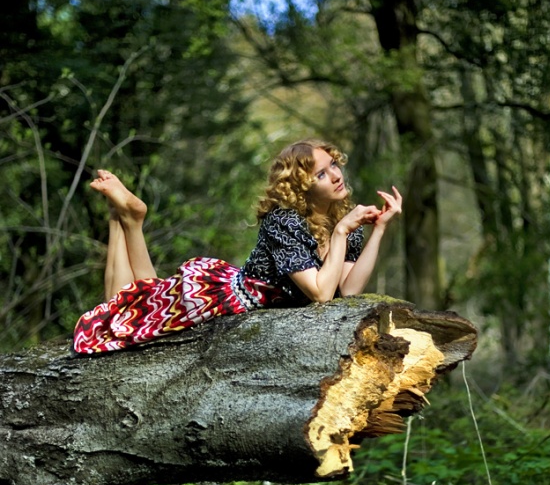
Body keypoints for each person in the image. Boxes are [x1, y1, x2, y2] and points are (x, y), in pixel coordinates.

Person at [73, 139, 402, 354]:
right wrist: (344, 230)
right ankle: (121, 221)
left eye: (334, 164)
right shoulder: (283, 222)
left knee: (147, 297)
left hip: (235, 295)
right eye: (320, 174)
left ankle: (128, 220)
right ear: (301, 186)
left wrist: (379, 229)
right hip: (222, 297)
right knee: (121, 311)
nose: (334, 175)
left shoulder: (343, 224)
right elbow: (320, 293)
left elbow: (348, 288)